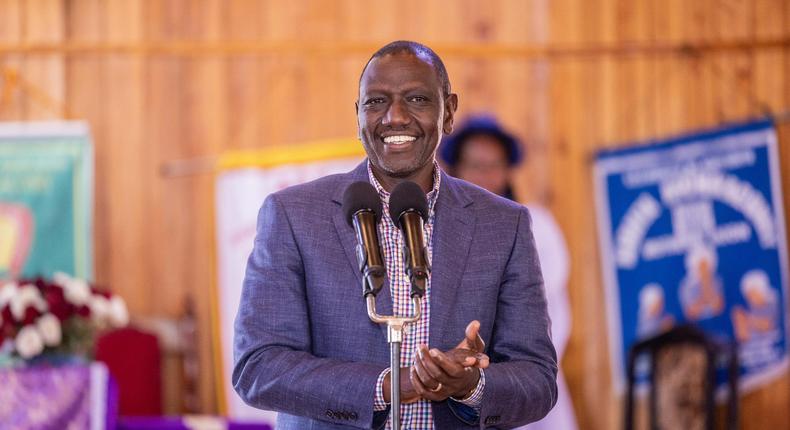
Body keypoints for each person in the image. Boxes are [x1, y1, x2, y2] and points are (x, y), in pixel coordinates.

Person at [233, 41, 557, 429]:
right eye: (376, 102)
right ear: (358, 116)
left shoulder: (504, 224)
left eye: (417, 99)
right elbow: (258, 365)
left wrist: (472, 383)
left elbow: (537, 378)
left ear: (449, 112)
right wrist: (391, 384)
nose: (395, 117)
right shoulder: (293, 215)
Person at [440, 115, 577, 430]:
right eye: (475, 165)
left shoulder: (536, 226)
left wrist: (514, 375)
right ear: (456, 169)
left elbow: (547, 312)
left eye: (494, 165)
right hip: (457, 389)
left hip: (524, 382)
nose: (486, 176)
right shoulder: (440, 232)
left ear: (507, 170)